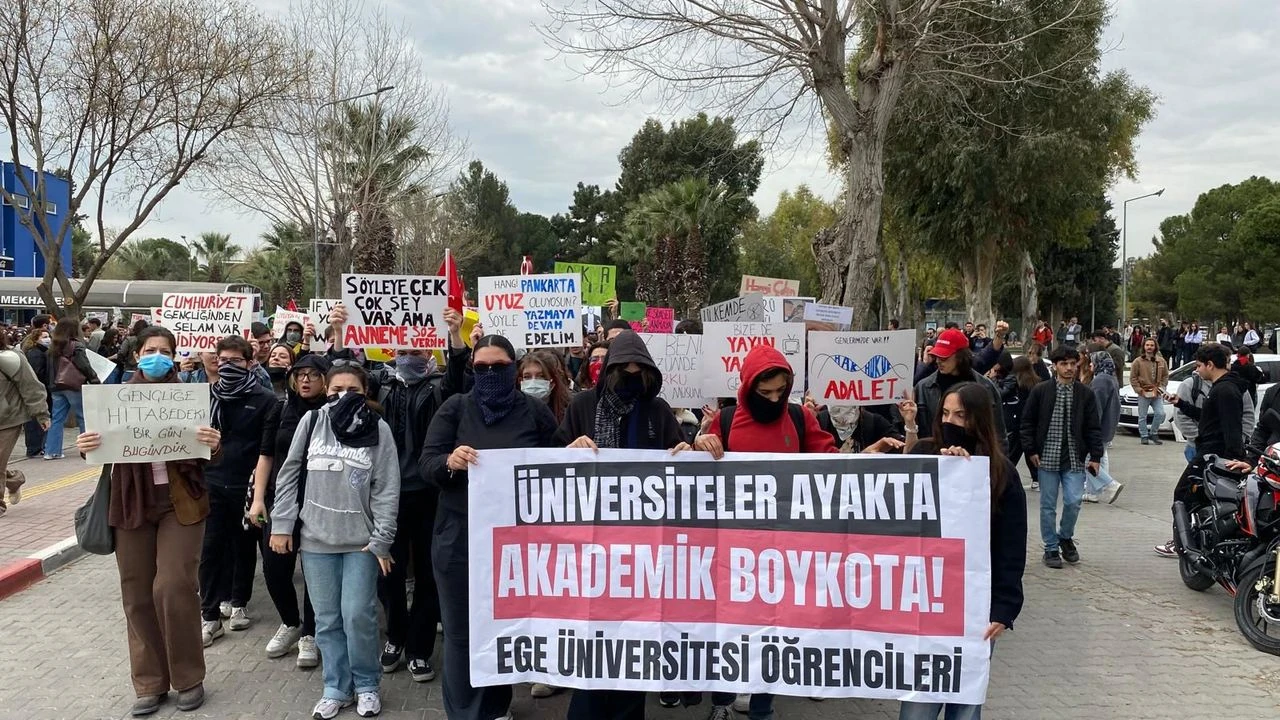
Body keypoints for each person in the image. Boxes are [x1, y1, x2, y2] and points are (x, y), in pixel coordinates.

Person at [74, 325, 221, 716]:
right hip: (131, 505)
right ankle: (150, 683)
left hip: (181, 505)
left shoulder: (190, 397)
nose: (158, 356)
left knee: (173, 586)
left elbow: (210, 457)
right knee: (137, 594)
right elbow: (98, 450)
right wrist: (86, 446)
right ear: (137, 355)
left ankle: (188, 677)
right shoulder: (114, 400)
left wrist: (213, 443)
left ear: (174, 356)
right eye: (150, 350)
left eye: (165, 351)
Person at [692, 343, 838, 720]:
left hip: (784, 548)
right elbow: (699, 472)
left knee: (773, 630)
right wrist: (699, 442)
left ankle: (763, 706)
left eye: (780, 391)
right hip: (732, 549)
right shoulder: (726, 420)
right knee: (728, 628)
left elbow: (831, 464)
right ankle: (722, 701)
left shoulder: (800, 417)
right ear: (747, 387)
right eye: (765, 392)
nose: (774, 399)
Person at [422, 335, 560, 720]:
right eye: (480, 367)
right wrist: (450, 462)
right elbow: (427, 463)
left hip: (516, 545)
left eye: (498, 366)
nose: (489, 373)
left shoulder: (534, 412)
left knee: (502, 629)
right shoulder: (455, 408)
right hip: (459, 542)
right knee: (461, 633)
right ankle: (465, 713)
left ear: (513, 369)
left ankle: (496, 706)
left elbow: (559, 464)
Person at [558, 330, 691, 720]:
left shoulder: (658, 411)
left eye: (639, 373)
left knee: (634, 643)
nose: (632, 379)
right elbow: (550, 461)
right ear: (608, 371)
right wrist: (568, 450)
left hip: (644, 551)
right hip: (591, 544)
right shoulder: (583, 406)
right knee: (593, 642)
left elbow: (678, 462)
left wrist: (688, 451)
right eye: (623, 372)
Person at [269, 364, 401, 719]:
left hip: (361, 543)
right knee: (327, 620)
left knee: (358, 614)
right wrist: (282, 524)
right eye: (336, 389)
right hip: (316, 540)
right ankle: (336, 687)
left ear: (365, 392)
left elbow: (387, 487)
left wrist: (383, 538)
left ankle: (367, 684)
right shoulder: (312, 422)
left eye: (352, 390)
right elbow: (289, 474)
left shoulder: (379, 428)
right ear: (326, 390)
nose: (343, 395)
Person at [898, 382, 1026, 720]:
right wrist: (941, 471)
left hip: (974, 610)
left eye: (960, 415)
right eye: (945, 413)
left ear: (979, 420)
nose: (950, 421)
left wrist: (1004, 609)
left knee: (966, 706)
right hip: (927, 602)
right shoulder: (924, 453)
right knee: (918, 705)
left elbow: (1011, 548)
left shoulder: (1002, 474)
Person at [374, 308, 468, 684]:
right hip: (388, 495)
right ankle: (395, 635)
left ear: (429, 352)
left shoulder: (440, 386)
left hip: (431, 493)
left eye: (416, 351)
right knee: (388, 572)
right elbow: (341, 375)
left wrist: (455, 335)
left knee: (429, 573)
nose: (409, 356)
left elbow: (460, 378)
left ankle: (419, 649)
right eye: (403, 351)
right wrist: (338, 331)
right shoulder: (381, 385)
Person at [246, 354, 331, 669]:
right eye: (300, 374)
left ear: (326, 379)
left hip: (320, 501)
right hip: (280, 501)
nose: (305, 380)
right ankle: (290, 622)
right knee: (274, 568)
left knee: (314, 571)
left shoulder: (331, 412)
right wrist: (258, 499)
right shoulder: (280, 409)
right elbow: (266, 455)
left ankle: (310, 633)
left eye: (313, 374)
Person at [198, 336, 278, 645]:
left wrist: (258, 493)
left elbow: (266, 449)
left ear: (250, 363)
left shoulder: (265, 399)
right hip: (211, 481)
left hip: (248, 484)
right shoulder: (204, 397)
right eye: (224, 360)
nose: (228, 366)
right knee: (210, 547)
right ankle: (209, 613)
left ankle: (239, 602)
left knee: (244, 545)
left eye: (236, 361)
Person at [1154, 343, 1251, 557]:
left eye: (1199, 366)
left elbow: (1232, 427)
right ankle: (1199, 543)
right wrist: (1180, 403)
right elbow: (1209, 418)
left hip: (1214, 455)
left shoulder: (1225, 390)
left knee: (1183, 496)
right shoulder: (1222, 387)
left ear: (1210, 365)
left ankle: (1184, 543)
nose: (1197, 371)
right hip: (1211, 452)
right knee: (1199, 499)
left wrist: (1233, 459)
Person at [1019, 345, 1103, 569]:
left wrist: (1096, 456)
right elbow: (1027, 423)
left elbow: (1093, 428)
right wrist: (1031, 450)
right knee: (1047, 505)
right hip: (1046, 457)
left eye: (1072, 364)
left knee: (1074, 501)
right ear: (1055, 366)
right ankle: (1050, 548)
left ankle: (1065, 536)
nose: (1069, 368)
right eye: (1064, 364)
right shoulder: (1041, 391)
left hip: (1074, 457)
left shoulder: (1085, 394)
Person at [913, 328, 1005, 446]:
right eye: (936, 356)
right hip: (935, 454)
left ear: (960, 356)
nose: (938, 361)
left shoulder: (986, 387)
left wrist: (996, 457)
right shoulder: (923, 387)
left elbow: (999, 435)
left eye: (944, 357)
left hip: (977, 454)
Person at [0, 333, 51, 517]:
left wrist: (41, 414)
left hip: (8, 419)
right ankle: (14, 479)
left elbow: (31, 386)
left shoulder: (10, 359)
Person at [44, 316, 100, 460]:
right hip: (73, 385)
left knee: (57, 418)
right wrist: (94, 379)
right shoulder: (75, 345)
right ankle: (88, 450)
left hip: (55, 386)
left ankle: (52, 451)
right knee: (83, 416)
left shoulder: (52, 345)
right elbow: (84, 365)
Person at [1081, 353, 1125, 504]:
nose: (1090, 365)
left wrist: (1090, 427)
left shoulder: (1100, 381)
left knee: (1087, 459)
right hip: (1108, 426)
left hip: (1099, 427)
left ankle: (1109, 484)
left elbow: (1096, 407)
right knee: (1100, 457)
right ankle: (1092, 492)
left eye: (1092, 362)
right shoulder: (1111, 378)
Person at [1004, 356, 1042, 490]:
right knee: (1030, 452)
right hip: (1033, 423)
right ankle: (1036, 478)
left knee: (1013, 452)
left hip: (1018, 422)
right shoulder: (1037, 384)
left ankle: (1005, 476)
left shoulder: (1018, 385)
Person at [1129, 337, 1169, 446]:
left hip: (1157, 392)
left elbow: (1165, 376)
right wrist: (1139, 390)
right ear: (1144, 347)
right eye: (1147, 345)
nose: (1149, 347)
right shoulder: (1138, 361)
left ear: (1155, 347)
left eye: (1152, 345)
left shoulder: (1161, 361)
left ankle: (1153, 433)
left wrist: (1162, 387)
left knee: (1160, 413)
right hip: (1143, 392)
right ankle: (1144, 435)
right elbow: (1133, 378)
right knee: (1142, 416)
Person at [519, 349, 572, 424]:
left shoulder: (569, 411)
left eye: (541, 376)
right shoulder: (514, 413)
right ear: (520, 381)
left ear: (552, 382)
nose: (533, 382)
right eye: (527, 377)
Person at [21, 326, 51, 458]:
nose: (48, 339)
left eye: (48, 336)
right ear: (35, 339)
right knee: (34, 421)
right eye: (44, 337)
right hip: (38, 390)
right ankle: (35, 448)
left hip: (39, 390)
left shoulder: (40, 352)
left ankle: (37, 447)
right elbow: (37, 374)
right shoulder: (36, 354)